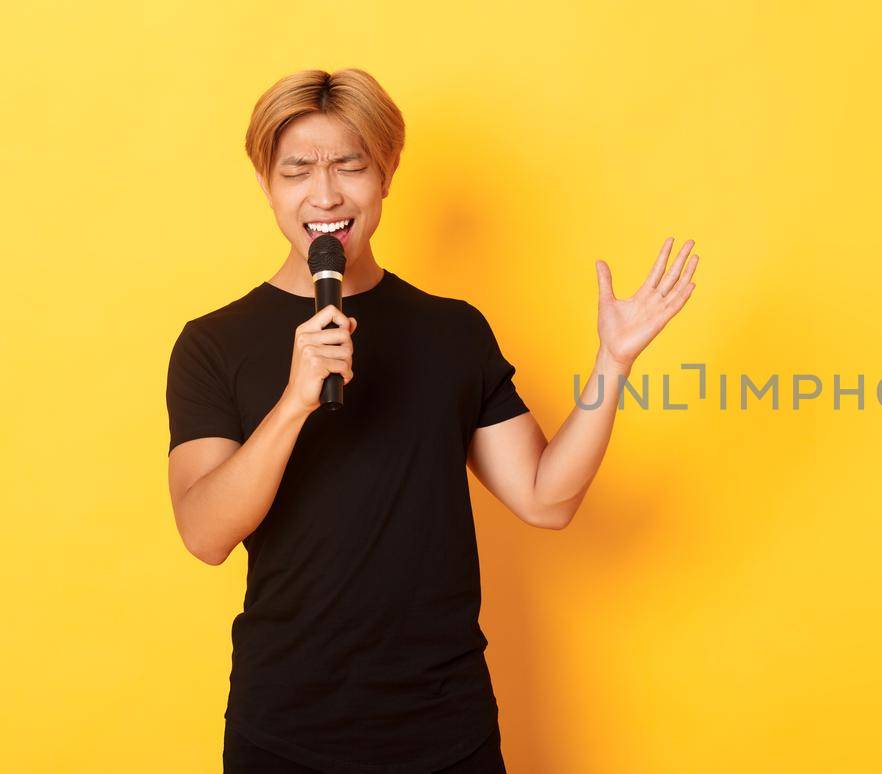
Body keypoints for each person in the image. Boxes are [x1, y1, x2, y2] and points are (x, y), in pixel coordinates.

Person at [165, 68, 700, 773]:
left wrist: (614, 362)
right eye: (298, 171)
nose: (325, 195)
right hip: (287, 729)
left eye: (349, 167)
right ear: (267, 183)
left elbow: (547, 498)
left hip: (445, 728)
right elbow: (205, 534)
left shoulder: (452, 332)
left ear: (385, 176)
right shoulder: (213, 343)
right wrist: (295, 400)